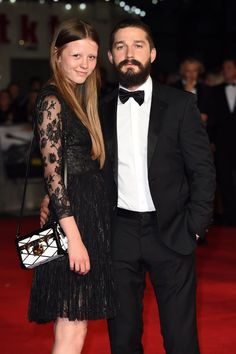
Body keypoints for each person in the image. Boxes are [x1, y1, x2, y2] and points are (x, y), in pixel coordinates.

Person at [41, 19, 215, 354]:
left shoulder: (180, 105)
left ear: (152, 53)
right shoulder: (98, 108)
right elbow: (80, 165)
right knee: (122, 338)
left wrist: (195, 226)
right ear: (110, 55)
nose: (129, 53)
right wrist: (53, 197)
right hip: (116, 233)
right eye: (120, 46)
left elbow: (203, 171)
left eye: (137, 45)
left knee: (180, 339)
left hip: (172, 232)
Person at [29, 18, 116, 354]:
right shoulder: (52, 100)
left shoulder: (80, 98)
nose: (84, 64)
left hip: (84, 214)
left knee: (71, 322)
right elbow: (52, 173)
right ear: (57, 55)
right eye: (76, 55)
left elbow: (63, 166)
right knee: (73, 324)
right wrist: (74, 240)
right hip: (74, 222)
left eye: (91, 57)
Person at [208, 58, 236, 226]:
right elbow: (211, 118)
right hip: (222, 143)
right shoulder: (215, 91)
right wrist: (211, 140)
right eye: (224, 68)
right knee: (224, 180)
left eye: (229, 67)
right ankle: (228, 216)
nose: (225, 70)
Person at [173, 57, 211, 125]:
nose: (191, 74)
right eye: (188, 71)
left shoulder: (206, 89)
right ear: (183, 71)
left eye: (195, 70)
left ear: (199, 71)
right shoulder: (174, 87)